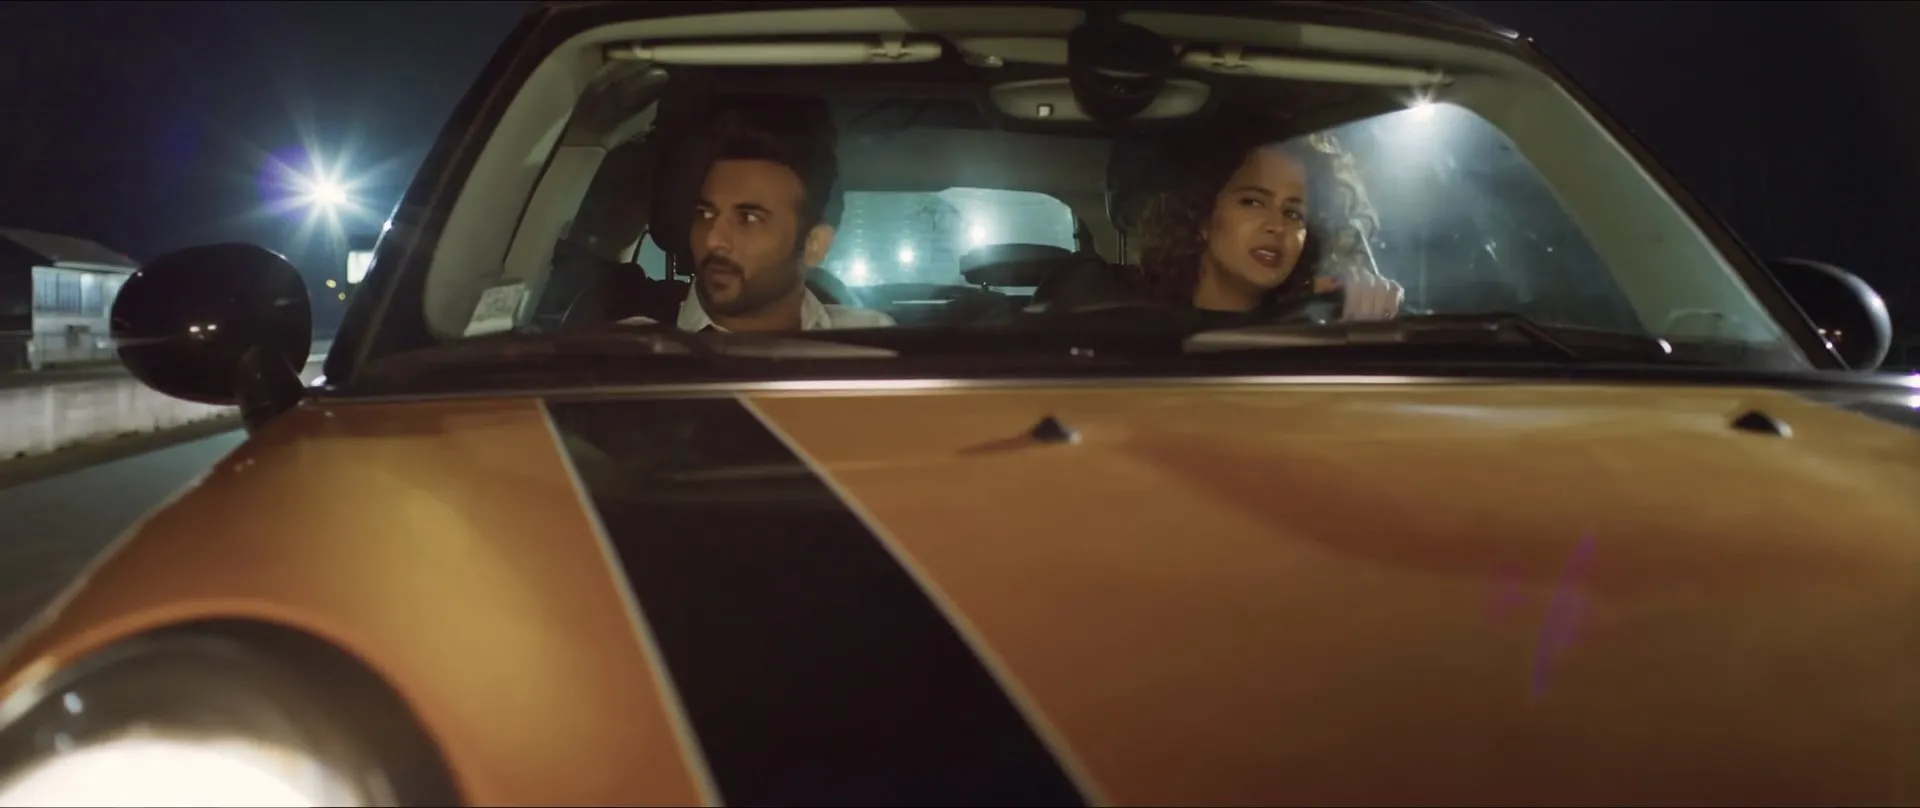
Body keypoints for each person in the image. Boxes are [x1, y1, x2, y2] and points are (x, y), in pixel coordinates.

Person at [667, 97, 894, 333]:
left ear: (814, 245)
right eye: (705, 214)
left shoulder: (870, 337)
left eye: (748, 218)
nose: (713, 239)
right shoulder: (644, 343)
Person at [1134, 129, 1403, 321]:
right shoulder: (1137, 327)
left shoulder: (1309, 333)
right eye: (1252, 202)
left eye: (1293, 213)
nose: (1278, 226)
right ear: (1203, 215)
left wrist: (1366, 316)